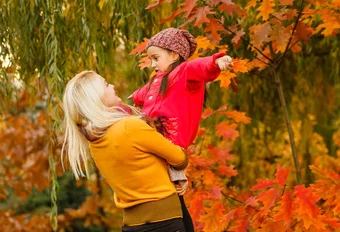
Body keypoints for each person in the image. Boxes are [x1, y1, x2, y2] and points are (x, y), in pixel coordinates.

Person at [129, 28, 233, 231]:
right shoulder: (157, 80)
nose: (153, 64)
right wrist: (131, 98)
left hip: (171, 142)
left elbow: (199, 67)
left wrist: (216, 62)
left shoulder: (183, 73)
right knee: (173, 201)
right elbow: (143, 95)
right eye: (151, 59)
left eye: (156, 58)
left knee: (172, 191)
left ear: (174, 54)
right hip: (156, 141)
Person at [62, 70, 189, 231]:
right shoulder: (129, 127)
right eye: (106, 85)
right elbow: (179, 158)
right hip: (164, 219)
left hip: (131, 225)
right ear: (97, 97)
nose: (112, 86)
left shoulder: (95, 143)